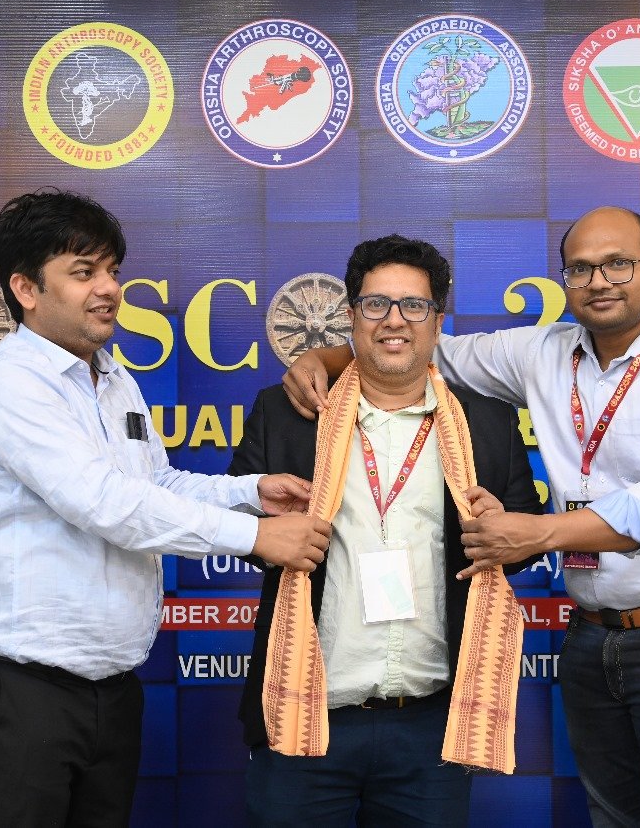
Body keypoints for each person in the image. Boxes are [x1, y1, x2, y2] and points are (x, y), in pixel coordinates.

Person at [283, 207, 640, 828]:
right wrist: (322, 359)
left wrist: (539, 533)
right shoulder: (544, 352)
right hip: (593, 633)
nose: (599, 281)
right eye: (580, 269)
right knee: (615, 817)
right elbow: (416, 347)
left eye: (618, 264)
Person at [0, 189, 330, 828]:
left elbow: (157, 483)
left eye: (112, 270)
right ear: (25, 288)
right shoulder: (9, 385)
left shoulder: (113, 378)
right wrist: (254, 538)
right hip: (21, 691)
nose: (108, 289)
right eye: (83, 272)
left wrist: (250, 493)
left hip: (111, 689)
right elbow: (104, 503)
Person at [231, 234, 543, 827]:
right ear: (351, 317)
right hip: (306, 715)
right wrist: (272, 530)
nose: (394, 320)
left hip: (430, 726)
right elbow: (240, 529)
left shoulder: (488, 421)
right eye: (376, 304)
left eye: (413, 305)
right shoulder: (286, 413)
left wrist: (502, 531)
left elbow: (523, 540)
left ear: (437, 322)